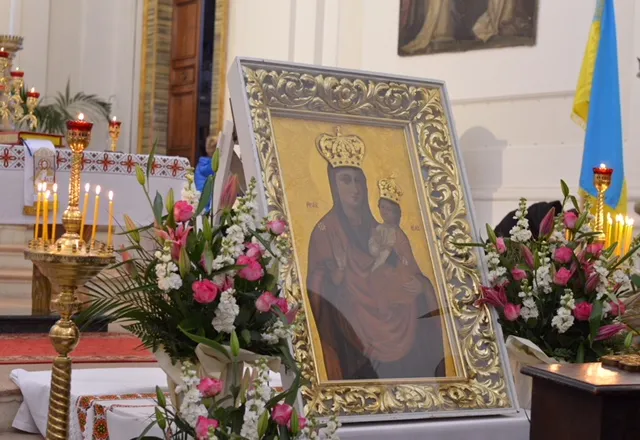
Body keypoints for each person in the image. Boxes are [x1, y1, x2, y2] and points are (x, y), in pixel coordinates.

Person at [306, 129, 446, 381]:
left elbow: (411, 269)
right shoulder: (325, 230)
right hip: (353, 323)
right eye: (345, 180)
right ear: (333, 186)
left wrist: (422, 286)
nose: (355, 188)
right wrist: (336, 274)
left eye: (358, 180)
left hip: (395, 314)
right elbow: (317, 286)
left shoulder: (382, 228)